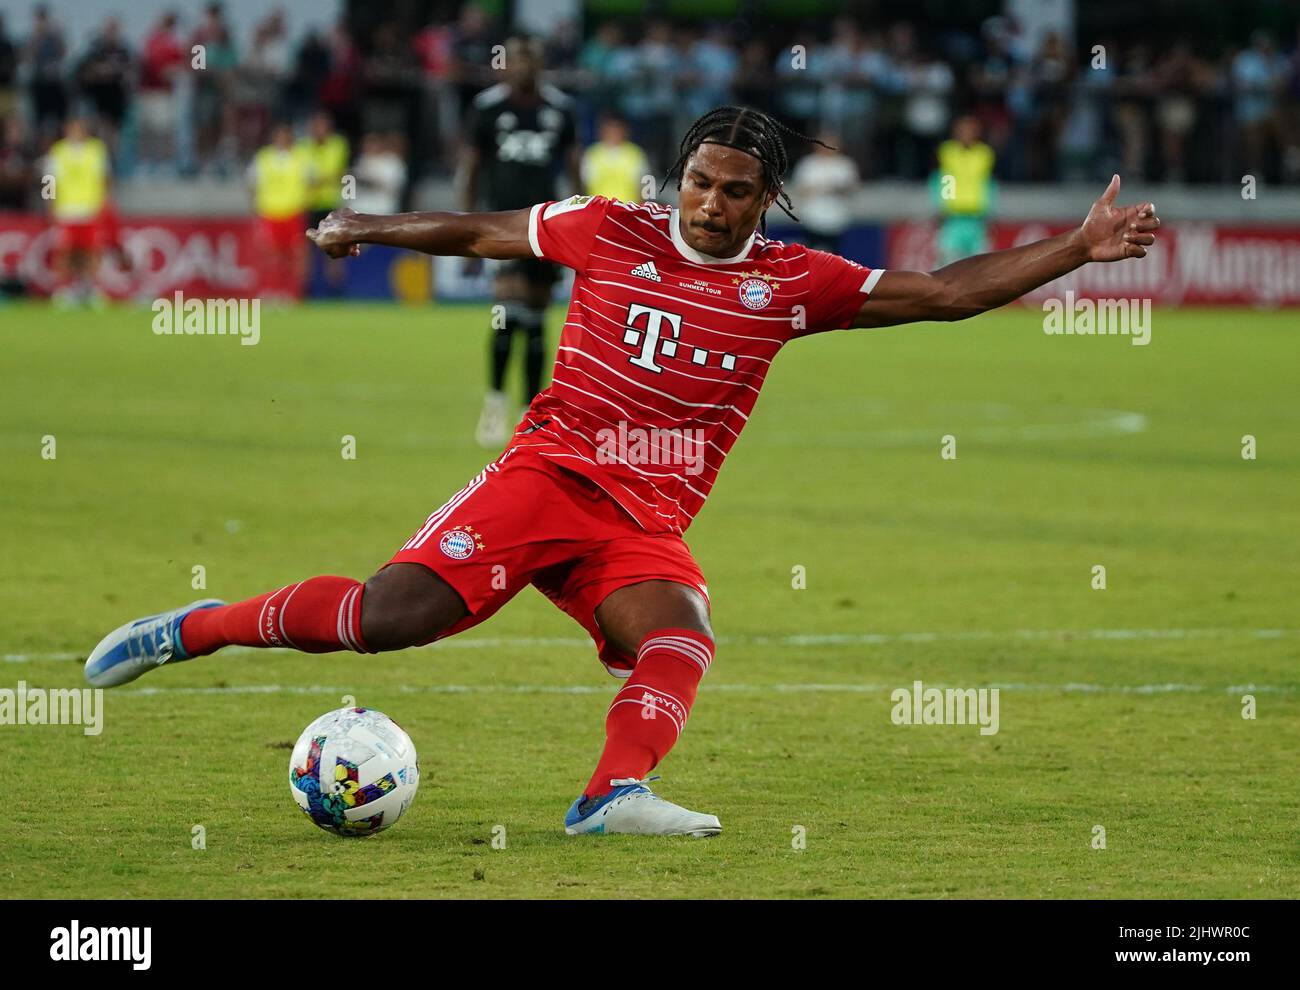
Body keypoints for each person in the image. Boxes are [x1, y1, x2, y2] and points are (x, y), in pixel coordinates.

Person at [84, 106, 1161, 838]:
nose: (712, 204)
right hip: (545, 478)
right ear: (677, 178)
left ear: (765, 199)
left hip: (637, 522)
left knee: (681, 632)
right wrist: (370, 228)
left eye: (737, 191)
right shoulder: (609, 229)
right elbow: (486, 231)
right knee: (384, 619)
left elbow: (945, 292)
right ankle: (191, 629)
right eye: (700, 182)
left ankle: (612, 795)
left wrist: (1074, 248)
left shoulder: (797, 283)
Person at [459, 35, 579, 447]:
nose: (524, 67)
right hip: (502, 225)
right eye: (517, 59)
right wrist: (466, 227)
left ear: (541, 64)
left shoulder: (560, 109)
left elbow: (574, 170)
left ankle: (529, 411)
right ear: (505, 64)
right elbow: (472, 169)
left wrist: (583, 228)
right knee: (507, 310)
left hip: (548, 225)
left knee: (536, 317)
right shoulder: (488, 108)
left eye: (531, 59)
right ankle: (494, 404)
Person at [45, 116, 110, 305]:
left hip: (90, 208)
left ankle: (89, 290)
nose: (76, 132)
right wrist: (49, 204)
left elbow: (104, 178)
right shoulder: (58, 151)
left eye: (79, 129)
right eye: (72, 129)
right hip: (66, 209)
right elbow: (48, 180)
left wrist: (104, 203)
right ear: (67, 130)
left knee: (91, 252)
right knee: (65, 252)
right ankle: (64, 290)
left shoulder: (96, 150)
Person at [247, 121, 312, 297]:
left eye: (285, 136)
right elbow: (253, 185)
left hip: (293, 211)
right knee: (271, 256)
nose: (282, 139)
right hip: (270, 212)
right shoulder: (263, 158)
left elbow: (311, 182)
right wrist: (255, 210)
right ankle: (271, 291)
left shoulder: (301, 157)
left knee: (297, 256)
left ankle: (294, 293)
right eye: (279, 136)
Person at [931, 114, 996, 265]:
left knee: (981, 265)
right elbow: (941, 178)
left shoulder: (985, 154)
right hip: (953, 217)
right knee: (946, 264)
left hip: (976, 218)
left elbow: (987, 183)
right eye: (963, 130)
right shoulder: (946, 151)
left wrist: (989, 208)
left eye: (970, 130)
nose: (966, 133)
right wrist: (941, 205)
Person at [580, 113, 649, 203]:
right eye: (610, 129)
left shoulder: (636, 154)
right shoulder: (592, 154)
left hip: (628, 211)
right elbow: (584, 186)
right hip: (598, 211)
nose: (613, 133)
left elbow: (645, 187)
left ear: (625, 130)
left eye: (617, 129)